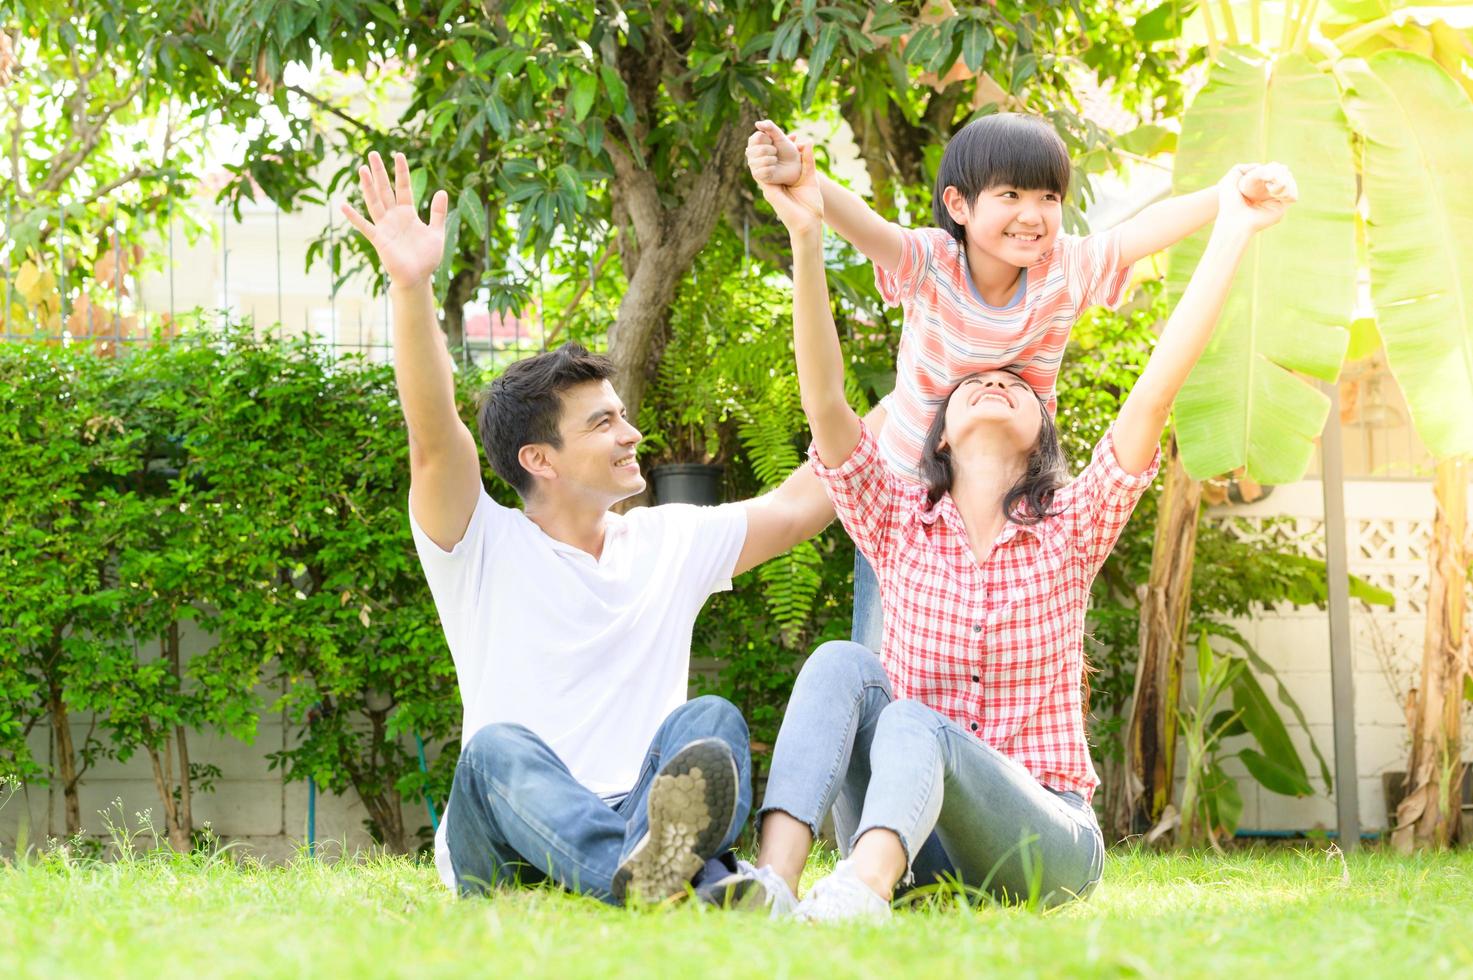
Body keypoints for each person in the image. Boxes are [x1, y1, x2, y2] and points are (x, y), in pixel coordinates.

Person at [749, 137, 1294, 920]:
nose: (996, 377)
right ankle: (773, 885)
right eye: (974, 383)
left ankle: (859, 892)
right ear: (935, 434)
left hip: (1042, 842)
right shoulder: (896, 524)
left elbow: (1156, 385)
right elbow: (825, 402)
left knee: (912, 719)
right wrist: (806, 235)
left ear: (1044, 432)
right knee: (844, 661)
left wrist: (1232, 224)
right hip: (915, 840)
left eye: (1015, 380)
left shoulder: (1071, 528)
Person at [340, 150, 834, 908]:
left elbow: (808, 498)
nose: (631, 433)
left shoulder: (668, 542)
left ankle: (656, 876)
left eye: (622, 414)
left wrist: (935, 382)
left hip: (638, 811)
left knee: (710, 719)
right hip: (504, 837)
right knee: (495, 750)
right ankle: (657, 880)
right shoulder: (479, 544)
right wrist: (410, 286)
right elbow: (432, 434)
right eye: (605, 422)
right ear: (540, 458)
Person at [746, 115, 1293, 649]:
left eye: (1048, 198)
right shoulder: (934, 262)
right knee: (883, 652)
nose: (1033, 215)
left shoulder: (1063, 268)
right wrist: (806, 180)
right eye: (1010, 195)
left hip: (1008, 491)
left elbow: (1137, 235)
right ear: (959, 205)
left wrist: (1224, 197)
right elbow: (869, 228)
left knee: (1001, 639)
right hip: (908, 495)